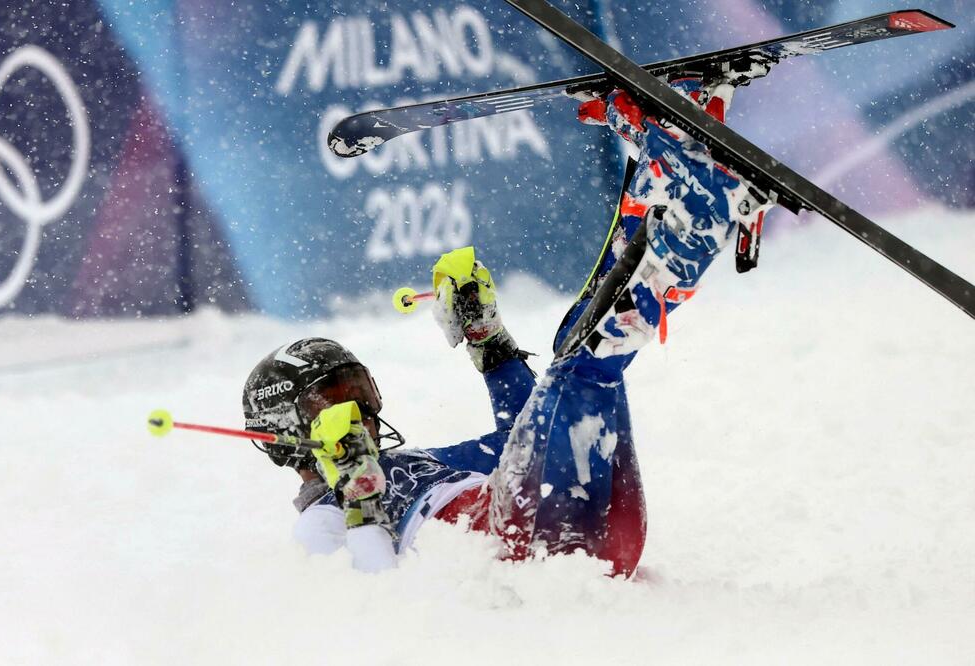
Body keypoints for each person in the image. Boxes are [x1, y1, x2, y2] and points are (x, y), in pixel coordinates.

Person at [242, 70, 775, 576]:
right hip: (513, 549)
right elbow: (376, 592)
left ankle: (676, 150)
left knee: (580, 348)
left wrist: (488, 341)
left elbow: (520, 441)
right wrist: (359, 498)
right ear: (288, 436)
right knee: (585, 363)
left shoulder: (411, 462)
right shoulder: (319, 522)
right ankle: (698, 215)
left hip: (589, 532)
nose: (360, 413)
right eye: (332, 402)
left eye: (360, 391)